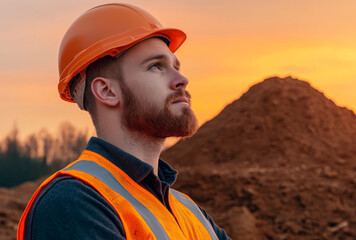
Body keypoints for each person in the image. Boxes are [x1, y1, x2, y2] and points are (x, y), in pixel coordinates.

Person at [17, 3, 229, 240]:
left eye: (176, 66)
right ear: (107, 91)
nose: (182, 79)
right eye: (156, 66)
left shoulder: (190, 212)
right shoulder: (73, 202)